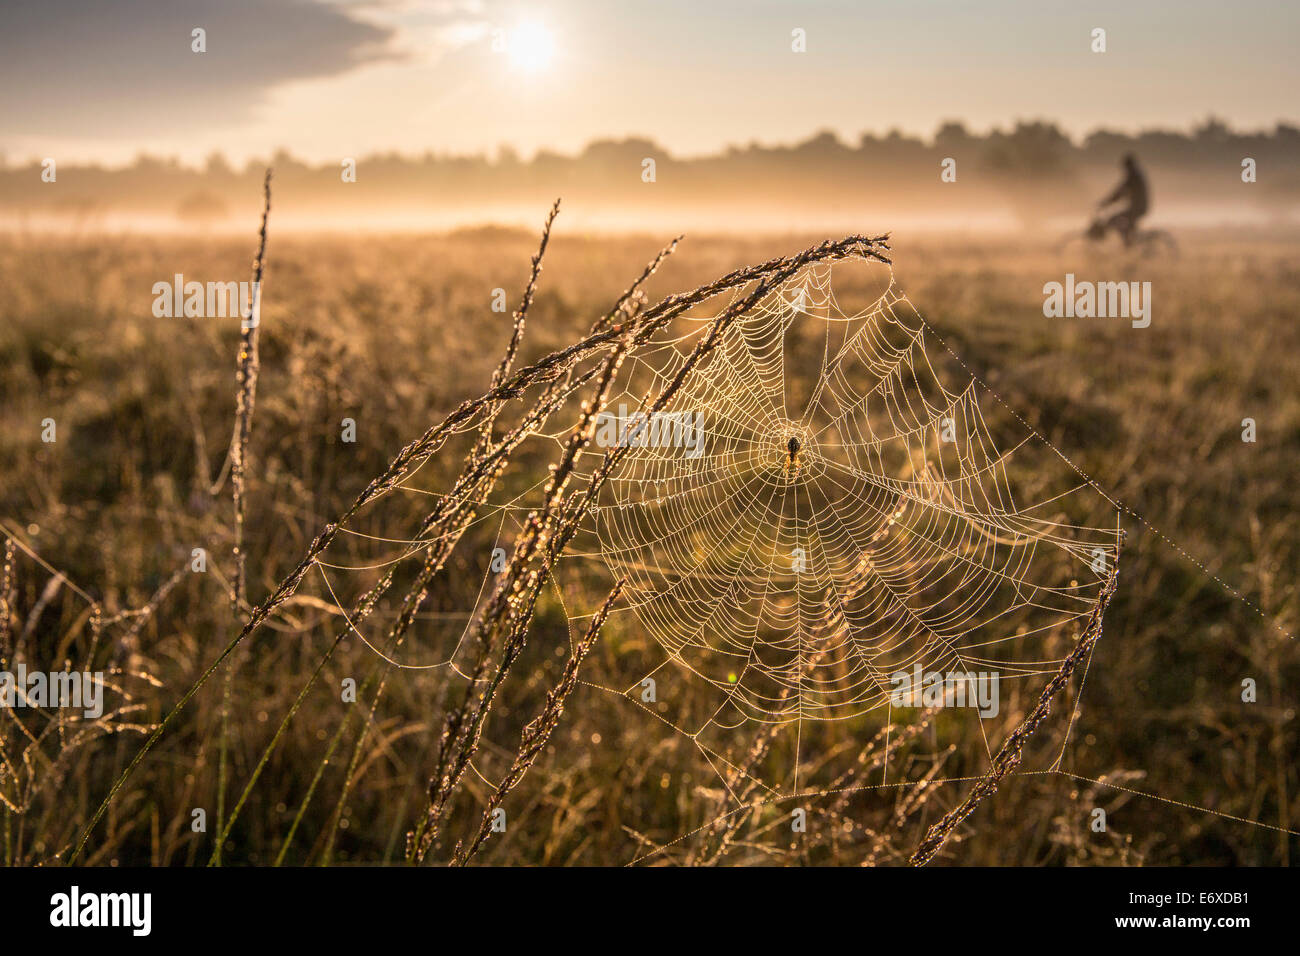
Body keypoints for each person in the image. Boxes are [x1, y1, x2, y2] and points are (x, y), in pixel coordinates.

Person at [1096, 153, 1149, 247]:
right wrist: (1108, 202)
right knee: (1125, 224)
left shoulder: (1133, 177)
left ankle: (1128, 245)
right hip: (1139, 207)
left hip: (1137, 208)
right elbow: (1121, 193)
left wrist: (1106, 202)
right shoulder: (1136, 175)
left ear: (1128, 166)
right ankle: (1130, 243)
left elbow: (1120, 192)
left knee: (1113, 220)